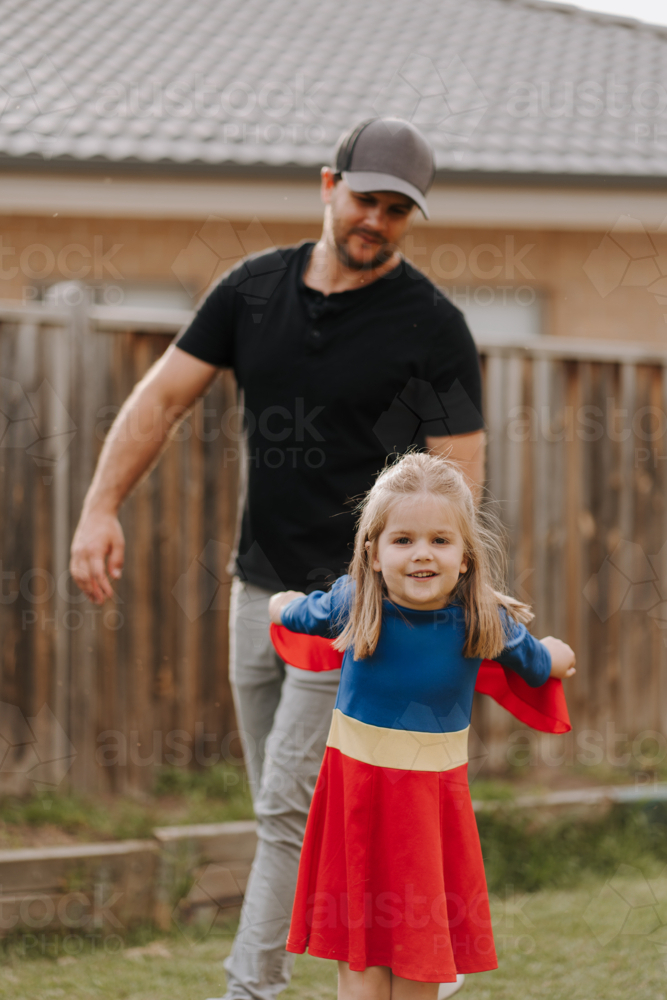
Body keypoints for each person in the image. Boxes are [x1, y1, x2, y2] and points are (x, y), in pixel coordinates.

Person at [69, 117, 486, 1000]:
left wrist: (431, 602)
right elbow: (161, 399)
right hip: (258, 594)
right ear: (328, 184)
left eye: (398, 209)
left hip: (357, 613)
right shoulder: (252, 291)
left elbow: (458, 483)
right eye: (367, 197)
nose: (378, 219)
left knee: (284, 810)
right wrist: (100, 506)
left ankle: (251, 987)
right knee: (294, 811)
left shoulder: (432, 325)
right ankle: (394, 951)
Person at [268, 453, 576, 1000]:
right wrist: (280, 604)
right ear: (373, 552)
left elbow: (534, 663)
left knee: (416, 963)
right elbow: (301, 613)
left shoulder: (485, 621)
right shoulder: (353, 601)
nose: (421, 554)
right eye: (403, 540)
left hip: (427, 813)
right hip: (355, 804)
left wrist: (557, 654)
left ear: (465, 558)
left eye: (440, 540)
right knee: (360, 968)